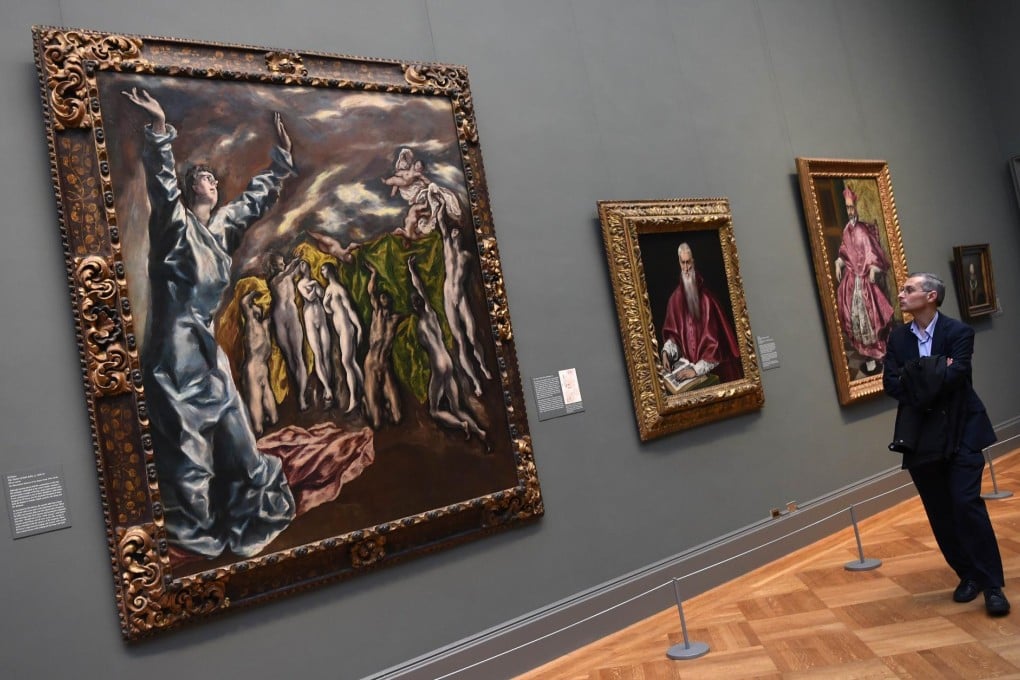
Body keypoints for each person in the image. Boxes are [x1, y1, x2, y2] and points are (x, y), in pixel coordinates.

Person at [123, 87, 296, 558]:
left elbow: (255, 201)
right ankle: (200, 541)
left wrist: (281, 160)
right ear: (186, 186)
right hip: (174, 359)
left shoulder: (219, 229)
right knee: (189, 460)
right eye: (197, 174)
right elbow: (160, 183)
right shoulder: (173, 229)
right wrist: (159, 130)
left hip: (206, 351)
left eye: (210, 175)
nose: (208, 179)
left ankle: (242, 515)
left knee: (241, 448)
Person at [883, 272, 1007, 616]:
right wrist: (936, 370)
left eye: (910, 289)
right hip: (921, 437)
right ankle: (968, 575)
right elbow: (892, 384)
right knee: (939, 511)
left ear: (931, 297)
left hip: (962, 429)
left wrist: (917, 375)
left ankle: (992, 585)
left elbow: (958, 375)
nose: (902, 294)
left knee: (966, 504)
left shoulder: (958, 333)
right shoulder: (898, 339)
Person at [407, 255, 485, 441]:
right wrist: (412, 270)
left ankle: (461, 425)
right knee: (456, 407)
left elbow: (419, 288)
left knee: (434, 410)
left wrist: (411, 271)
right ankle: (480, 433)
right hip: (448, 362)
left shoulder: (421, 324)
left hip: (439, 366)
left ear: (414, 306)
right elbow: (420, 288)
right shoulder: (431, 315)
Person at [660, 243, 742, 383]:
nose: (686, 268)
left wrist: (695, 370)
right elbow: (675, 337)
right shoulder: (674, 299)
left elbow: (716, 348)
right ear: (679, 262)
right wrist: (666, 353)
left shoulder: (708, 300)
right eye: (683, 263)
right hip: (690, 374)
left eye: (688, 262)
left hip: (716, 373)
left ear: (693, 261)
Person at [834, 186, 895, 375]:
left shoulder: (861, 230)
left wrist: (873, 269)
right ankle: (866, 354)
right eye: (847, 208)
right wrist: (839, 263)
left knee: (871, 314)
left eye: (852, 208)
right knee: (852, 313)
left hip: (864, 280)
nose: (850, 211)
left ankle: (878, 353)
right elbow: (845, 251)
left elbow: (871, 253)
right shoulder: (847, 230)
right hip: (852, 278)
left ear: (857, 208)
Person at [363, 262, 405, 428]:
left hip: (385, 366)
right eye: (381, 297)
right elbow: (371, 292)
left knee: (398, 417)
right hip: (372, 364)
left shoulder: (395, 319)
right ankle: (367, 404)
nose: (382, 299)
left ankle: (384, 407)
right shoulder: (377, 313)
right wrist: (373, 273)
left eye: (385, 297)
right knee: (377, 422)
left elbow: (414, 312)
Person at [267, 253, 310, 410]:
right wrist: (294, 263)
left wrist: (300, 261)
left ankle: (301, 397)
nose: (283, 265)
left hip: (291, 315)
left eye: (283, 263)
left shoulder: (289, 274)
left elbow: (300, 269)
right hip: (279, 317)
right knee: (290, 360)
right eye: (279, 264)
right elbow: (286, 272)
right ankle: (299, 389)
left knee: (298, 356)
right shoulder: (274, 281)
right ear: (273, 267)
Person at [321, 262, 364, 413]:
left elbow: (350, 310)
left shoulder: (339, 289)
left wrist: (359, 328)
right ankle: (363, 390)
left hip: (346, 329)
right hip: (340, 331)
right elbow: (329, 311)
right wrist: (325, 303)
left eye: (324, 269)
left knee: (347, 361)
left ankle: (354, 399)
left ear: (331, 271)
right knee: (351, 362)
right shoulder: (328, 289)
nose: (321, 272)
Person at [296, 259, 335, 408]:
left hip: (321, 318)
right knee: (318, 355)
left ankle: (327, 389)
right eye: (302, 264)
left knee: (326, 354)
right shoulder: (300, 283)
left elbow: (322, 293)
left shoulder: (313, 282)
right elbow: (311, 297)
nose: (304, 266)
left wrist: (315, 285)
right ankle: (328, 389)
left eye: (304, 264)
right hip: (310, 319)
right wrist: (315, 286)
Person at [240, 290, 278, 437]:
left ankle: (257, 425)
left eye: (255, 305)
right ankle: (264, 421)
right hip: (258, 369)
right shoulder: (258, 326)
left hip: (258, 369)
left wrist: (254, 294)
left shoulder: (258, 325)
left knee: (270, 418)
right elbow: (245, 303)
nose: (254, 305)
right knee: (262, 425)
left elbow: (245, 302)